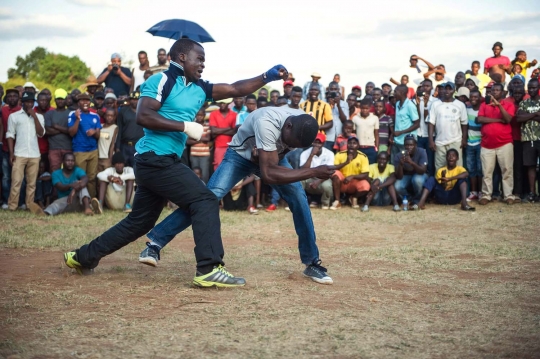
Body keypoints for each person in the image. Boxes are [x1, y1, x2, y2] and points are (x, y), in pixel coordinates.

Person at [64, 38, 291, 287]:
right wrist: (184, 126)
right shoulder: (161, 80)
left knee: (139, 222)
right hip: (153, 159)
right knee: (205, 199)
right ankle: (209, 267)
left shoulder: (199, 88)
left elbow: (235, 89)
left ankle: (83, 257)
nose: (203, 64)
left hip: (163, 160)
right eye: (199, 58)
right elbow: (144, 115)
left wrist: (267, 76)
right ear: (182, 57)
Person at [140, 105, 335, 284]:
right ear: (288, 125)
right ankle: (155, 243)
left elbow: (275, 161)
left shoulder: (301, 127)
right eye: (288, 140)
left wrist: (276, 155)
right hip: (240, 157)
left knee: (299, 198)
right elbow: (269, 174)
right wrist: (312, 172)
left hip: (271, 159)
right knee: (208, 197)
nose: (289, 144)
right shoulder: (267, 122)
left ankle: (312, 262)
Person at [5, 91, 45, 214]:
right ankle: (12, 206)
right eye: (26, 102)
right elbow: (10, 135)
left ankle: (29, 205)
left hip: (34, 154)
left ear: (33, 103)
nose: (29, 104)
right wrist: (11, 153)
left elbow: (41, 133)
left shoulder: (39, 116)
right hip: (19, 153)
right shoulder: (14, 116)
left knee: (31, 183)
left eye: (31, 102)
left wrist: (34, 116)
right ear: (22, 102)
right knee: (16, 181)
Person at [476, 83, 516, 205]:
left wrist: (499, 106)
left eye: (498, 90)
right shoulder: (484, 105)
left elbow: (508, 119)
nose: (495, 92)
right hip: (487, 144)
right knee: (487, 172)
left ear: (503, 92)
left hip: (504, 143)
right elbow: (480, 119)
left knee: (506, 170)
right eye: (493, 90)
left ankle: (508, 195)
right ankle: (486, 195)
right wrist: (498, 120)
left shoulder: (508, 105)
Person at [428, 82, 468, 171]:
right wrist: (431, 140)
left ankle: (458, 185)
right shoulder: (435, 104)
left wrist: (464, 139)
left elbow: (464, 124)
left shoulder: (460, 105)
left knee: (457, 168)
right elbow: (431, 123)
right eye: (445, 88)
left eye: (450, 89)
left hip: (455, 141)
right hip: (440, 142)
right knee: (440, 168)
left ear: (454, 91)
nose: (447, 91)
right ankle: (441, 185)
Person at [68, 93, 101, 198]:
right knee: (81, 178)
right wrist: (78, 119)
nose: (85, 102)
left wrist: (94, 132)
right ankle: (81, 201)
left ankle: (91, 201)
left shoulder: (95, 115)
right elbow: (71, 133)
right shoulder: (73, 114)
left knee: (91, 178)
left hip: (93, 151)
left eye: (87, 100)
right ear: (78, 103)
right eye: (82, 100)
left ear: (90, 102)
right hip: (79, 151)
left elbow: (98, 135)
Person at [516, 78, 540, 202]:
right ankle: (532, 193)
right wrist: (535, 114)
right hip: (527, 138)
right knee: (530, 166)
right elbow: (519, 118)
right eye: (530, 87)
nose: (531, 90)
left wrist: (527, 116)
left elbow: (523, 117)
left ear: (538, 88)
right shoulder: (523, 103)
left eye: (534, 87)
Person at [330, 136, 370, 210]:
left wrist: (352, 176)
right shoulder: (340, 154)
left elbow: (365, 174)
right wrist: (346, 162)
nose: (352, 145)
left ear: (358, 146)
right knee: (335, 173)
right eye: (350, 143)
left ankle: (353, 197)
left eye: (354, 143)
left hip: (353, 183)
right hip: (341, 182)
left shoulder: (363, 157)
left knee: (366, 186)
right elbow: (333, 168)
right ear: (347, 145)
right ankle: (337, 201)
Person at [300, 133, 334, 209]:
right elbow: (302, 171)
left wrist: (317, 182)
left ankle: (325, 204)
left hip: (322, 179)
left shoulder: (329, 154)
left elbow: (329, 172)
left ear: (323, 143)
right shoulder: (305, 153)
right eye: (315, 142)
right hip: (309, 177)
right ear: (312, 142)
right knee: (299, 181)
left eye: (319, 143)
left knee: (327, 185)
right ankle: (300, 202)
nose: (317, 145)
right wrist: (311, 155)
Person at [393, 135, 428, 209]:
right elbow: (399, 177)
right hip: (407, 176)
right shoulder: (399, 156)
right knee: (397, 185)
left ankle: (418, 201)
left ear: (416, 145)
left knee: (417, 180)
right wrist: (401, 165)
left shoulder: (421, 152)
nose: (409, 147)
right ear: (404, 145)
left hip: (420, 175)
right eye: (407, 145)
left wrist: (411, 162)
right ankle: (410, 200)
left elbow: (423, 170)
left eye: (411, 145)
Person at [1, 89, 21, 207]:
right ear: (6, 98)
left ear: (18, 98)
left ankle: (20, 201)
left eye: (14, 96)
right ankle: (5, 201)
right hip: (5, 148)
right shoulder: (3, 110)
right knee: (6, 176)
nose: (12, 98)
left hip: (19, 149)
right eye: (10, 96)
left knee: (19, 177)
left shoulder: (22, 110)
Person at [44, 89, 72, 172]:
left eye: (62, 99)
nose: (60, 101)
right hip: (54, 148)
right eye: (58, 99)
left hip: (68, 148)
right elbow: (47, 131)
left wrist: (56, 127)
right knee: (55, 171)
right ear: (55, 100)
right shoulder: (49, 114)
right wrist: (65, 129)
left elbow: (72, 131)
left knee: (69, 171)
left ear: (66, 100)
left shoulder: (71, 113)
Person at [414, 79, 437, 176]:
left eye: (428, 86)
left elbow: (428, 120)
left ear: (432, 88)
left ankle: (430, 185)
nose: (425, 88)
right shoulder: (416, 100)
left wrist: (427, 104)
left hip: (430, 136)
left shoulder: (435, 102)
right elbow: (418, 119)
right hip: (419, 135)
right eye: (424, 86)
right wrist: (419, 104)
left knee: (430, 162)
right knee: (420, 161)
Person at [114, 91, 143, 167]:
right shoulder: (123, 111)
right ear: (129, 100)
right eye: (133, 99)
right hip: (124, 146)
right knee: (124, 168)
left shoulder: (144, 112)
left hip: (138, 146)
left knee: (137, 168)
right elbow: (119, 129)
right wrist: (117, 147)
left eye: (137, 99)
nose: (135, 101)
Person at [391, 85, 420, 155]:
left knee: (406, 163)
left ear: (402, 92)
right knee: (395, 163)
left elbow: (417, 124)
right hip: (396, 141)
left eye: (395, 92)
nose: (394, 94)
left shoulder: (410, 105)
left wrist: (401, 132)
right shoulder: (397, 103)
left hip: (407, 143)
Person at [209, 98, 237, 170]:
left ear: (228, 103)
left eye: (224, 103)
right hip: (218, 146)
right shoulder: (213, 114)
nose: (222, 104)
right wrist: (228, 128)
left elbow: (234, 132)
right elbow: (213, 131)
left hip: (231, 146)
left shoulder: (234, 115)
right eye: (220, 103)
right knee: (218, 167)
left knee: (231, 167)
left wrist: (218, 131)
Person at [465, 90, 483, 201]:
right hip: (469, 143)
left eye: (476, 97)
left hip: (481, 143)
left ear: (480, 97)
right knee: (471, 169)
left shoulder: (483, 109)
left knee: (480, 169)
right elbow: (465, 125)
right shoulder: (467, 110)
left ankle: (481, 192)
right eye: (471, 97)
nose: (473, 99)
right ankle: (473, 192)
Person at [188, 108, 211, 183]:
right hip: (194, 154)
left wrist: (195, 138)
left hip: (204, 154)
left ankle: (205, 190)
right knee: (194, 174)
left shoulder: (207, 126)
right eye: (198, 115)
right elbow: (188, 141)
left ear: (204, 115)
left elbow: (207, 139)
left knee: (204, 174)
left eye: (201, 115)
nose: (199, 117)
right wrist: (202, 139)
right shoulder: (192, 126)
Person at [326, 81, 348, 151]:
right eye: (331, 89)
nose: (333, 91)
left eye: (335, 89)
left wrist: (338, 105)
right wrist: (330, 105)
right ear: (328, 90)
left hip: (340, 137)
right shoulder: (324, 103)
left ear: (338, 90)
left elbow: (345, 120)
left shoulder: (344, 104)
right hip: (328, 138)